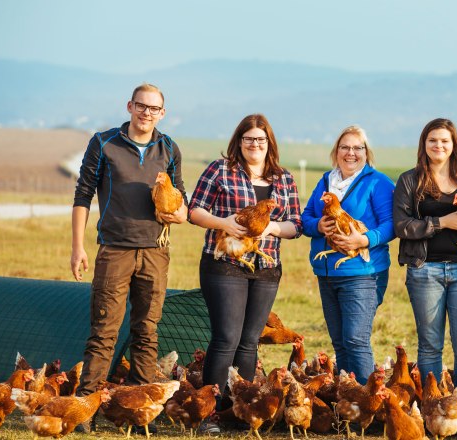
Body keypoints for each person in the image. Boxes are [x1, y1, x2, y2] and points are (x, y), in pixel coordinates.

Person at [70, 83, 188, 432]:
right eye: (141, 106)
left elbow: (181, 199)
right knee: (104, 331)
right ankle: (84, 408)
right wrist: (77, 247)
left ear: (162, 113)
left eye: (154, 108)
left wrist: (179, 213)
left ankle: (137, 412)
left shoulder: (168, 147)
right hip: (114, 250)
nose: (146, 112)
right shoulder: (104, 142)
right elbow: (83, 195)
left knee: (147, 331)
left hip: (156, 252)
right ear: (129, 107)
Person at [188, 114, 302, 431]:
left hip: (266, 268)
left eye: (260, 139)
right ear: (239, 141)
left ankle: (241, 412)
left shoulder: (284, 178)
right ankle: (210, 414)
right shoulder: (220, 169)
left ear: (269, 144)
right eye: (248, 138)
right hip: (224, 263)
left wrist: (272, 229)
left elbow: (297, 224)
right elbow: (194, 209)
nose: (254, 144)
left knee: (250, 342)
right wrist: (223, 223)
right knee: (226, 338)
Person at [393, 118, 457, 385]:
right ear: (424, 144)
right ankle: (432, 404)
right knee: (430, 344)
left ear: (453, 145)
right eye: (432, 140)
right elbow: (402, 226)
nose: (438, 145)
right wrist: (442, 223)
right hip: (425, 269)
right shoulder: (409, 180)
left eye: (444, 141)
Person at [301, 125, 395, 383]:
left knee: (355, 338)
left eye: (357, 148)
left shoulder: (378, 182)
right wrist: (318, 226)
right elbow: (306, 217)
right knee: (340, 342)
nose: (351, 153)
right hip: (327, 272)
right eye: (345, 147)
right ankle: (348, 400)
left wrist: (363, 238)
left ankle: (367, 402)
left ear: (366, 153)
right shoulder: (325, 181)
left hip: (362, 273)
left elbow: (391, 224)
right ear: (336, 152)